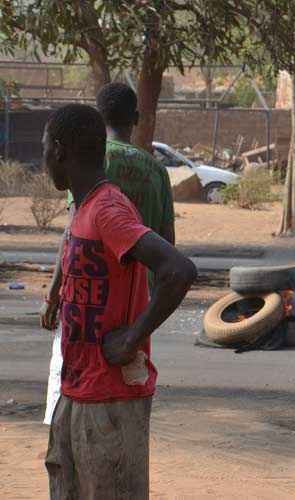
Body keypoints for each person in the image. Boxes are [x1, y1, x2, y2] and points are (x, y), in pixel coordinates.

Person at [41, 104, 196, 499]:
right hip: (76, 390)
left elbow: (177, 269)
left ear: (59, 150)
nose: (42, 159)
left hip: (109, 401)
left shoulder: (108, 210)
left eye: (44, 148)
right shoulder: (84, 207)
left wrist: (132, 337)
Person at [40, 82, 175, 425]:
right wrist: (139, 330)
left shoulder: (90, 162)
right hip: (132, 315)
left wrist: (54, 293)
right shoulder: (156, 171)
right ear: (137, 118)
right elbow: (167, 246)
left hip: (90, 309)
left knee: (74, 407)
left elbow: (73, 233)